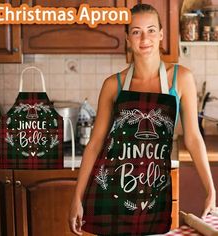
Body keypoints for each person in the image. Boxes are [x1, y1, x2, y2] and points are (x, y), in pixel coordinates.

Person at [69, 3, 216, 236]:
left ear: (160, 35)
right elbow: (95, 144)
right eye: (136, 31)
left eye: (150, 30)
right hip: (111, 193)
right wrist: (76, 198)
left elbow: (193, 138)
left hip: (154, 195)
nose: (144, 38)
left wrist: (211, 189)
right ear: (128, 38)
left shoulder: (181, 78)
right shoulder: (113, 85)